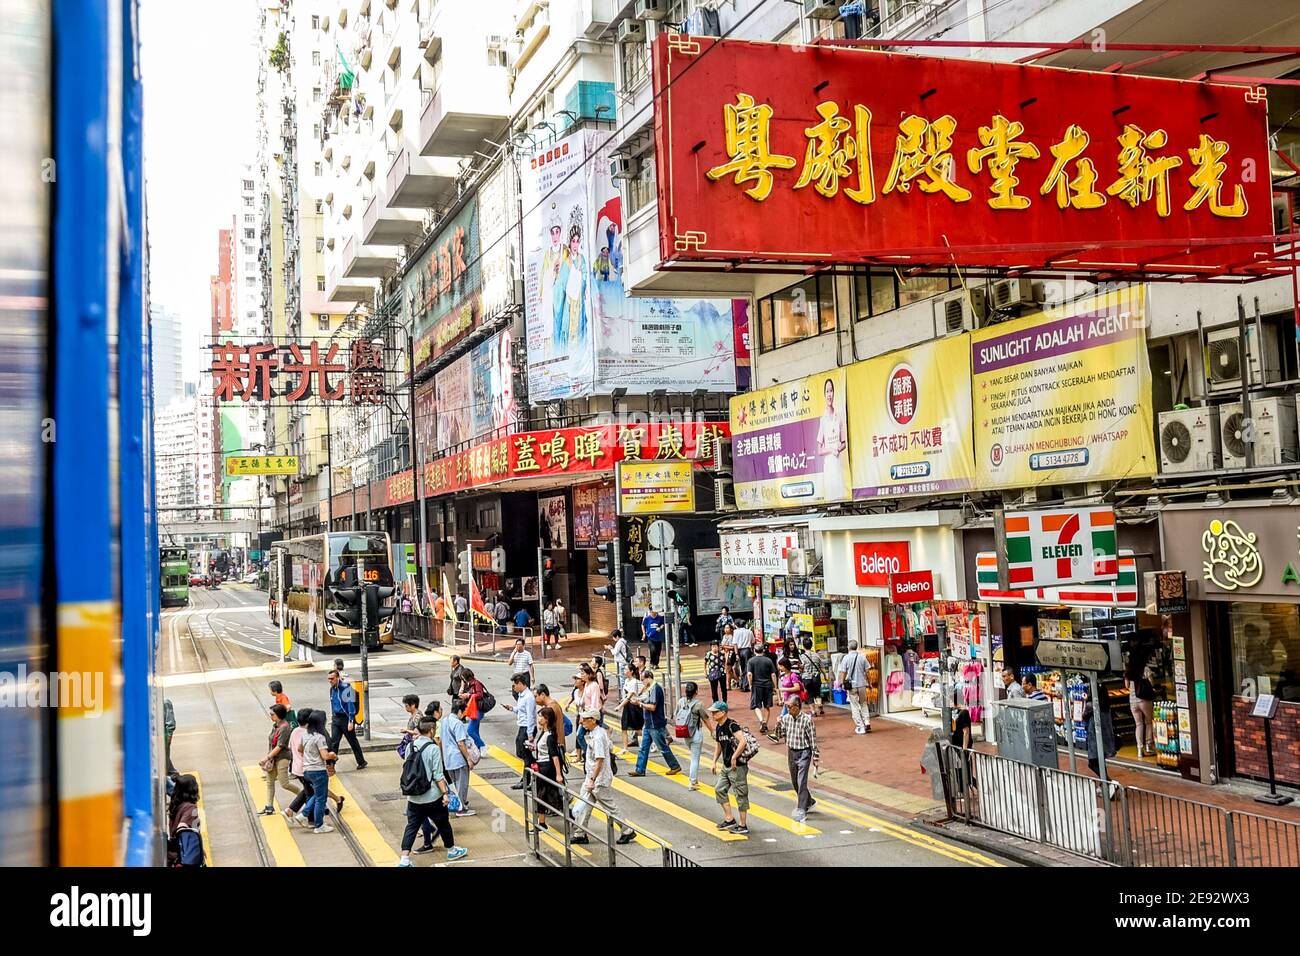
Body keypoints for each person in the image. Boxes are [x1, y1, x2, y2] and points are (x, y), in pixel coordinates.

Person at [397, 717, 468, 865]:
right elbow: (438, 775)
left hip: (414, 796)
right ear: (431, 730)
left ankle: (404, 859)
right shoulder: (433, 748)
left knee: (411, 826)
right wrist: (445, 794)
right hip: (432, 796)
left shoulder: (410, 746)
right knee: (443, 824)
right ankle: (451, 850)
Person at [570, 710, 637, 846]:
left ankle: (627, 830)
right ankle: (580, 833)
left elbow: (600, 760)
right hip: (592, 777)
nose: (581, 722)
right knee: (584, 806)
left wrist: (593, 780)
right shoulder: (597, 733)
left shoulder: (599, 736)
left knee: (609, 807)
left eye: (585, 719)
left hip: (598, 780)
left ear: (593, 720)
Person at [707, 702, 750, 835]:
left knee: (740, 795)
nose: (712, 715)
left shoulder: (732, 725)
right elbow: (719, 745)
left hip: (737, 767)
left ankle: (743, 825)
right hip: (726, 766)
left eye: (715, 712)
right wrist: (714, 761)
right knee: (719, 789)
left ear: (723, 712)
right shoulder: (719, 727)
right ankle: (729, 819)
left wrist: (734, 757)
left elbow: (743, 741)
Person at [630, 669, 683, 777]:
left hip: (655, 724)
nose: (642, 682)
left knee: (662, 747)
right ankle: (640, 769)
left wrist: (639, 703)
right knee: (643, 748)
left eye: (643, 679)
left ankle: (674, 765)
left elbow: (652, 707)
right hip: (648, 723)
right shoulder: (649, 688)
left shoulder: (655, 689)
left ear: (649, 677)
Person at [775, 694, 819, 822]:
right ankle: (809, 801)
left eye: (789, 707)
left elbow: (813, 740)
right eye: (787, 706)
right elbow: (779, 735)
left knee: (801, 781)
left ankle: (801, 809)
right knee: (795, 782)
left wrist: (815, 757)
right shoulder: (786, 719)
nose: (788, 709)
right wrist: (778, 724)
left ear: (797, 707)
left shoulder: (807, 720)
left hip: (804, 752)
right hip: (791, 751)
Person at [298, 710, 337, 833]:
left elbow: (300, 749)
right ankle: (319, 825)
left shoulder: (305, 735)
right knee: (321, 798)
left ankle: (303, 814)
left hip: (307, 770)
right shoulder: (320, 738)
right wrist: (333, 755)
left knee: (318, 794)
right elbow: (325, 755)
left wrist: (310, 755)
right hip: (318, 771)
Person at [529, 705, 566, 830]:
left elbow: (554, 756)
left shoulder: (549, 736)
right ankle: (542, 822)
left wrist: (558, 774)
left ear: (547, 719)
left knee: (545, 794)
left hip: (546, 768)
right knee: (547, 794)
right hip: (542, 766)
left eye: (541, 716)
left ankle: (570, 816)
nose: (538, 718)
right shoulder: (544, 733)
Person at [260, 703, 301, 814]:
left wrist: (266, 758)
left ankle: (303, 795)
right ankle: (269, 806)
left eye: (272, 714)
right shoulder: (276, 726)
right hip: (273, 757)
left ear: (278, 715)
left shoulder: (284, 728)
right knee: (270, 782)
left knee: (284, 783)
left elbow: (280, 746)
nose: (270, 716)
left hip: (282, 758)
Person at [815, 375, 848, 499]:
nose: (829, 394)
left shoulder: (839, 417)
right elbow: (819, 450)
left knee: (841, 497)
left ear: (834, 393)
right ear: (824, 395)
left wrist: (838, 449)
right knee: (831, 499)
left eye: (831, 391)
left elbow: (844, 443)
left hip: (838, 464)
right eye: (827, 391)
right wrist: (831, 450)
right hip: (828, 465)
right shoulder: (822, 420)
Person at [327, 669, 367, 769]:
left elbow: (351, 706)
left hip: (345, 718)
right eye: (329, 679)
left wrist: (351, 720)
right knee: (334, 742)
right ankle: (331, 765)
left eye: (332, 679)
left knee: (352, 741)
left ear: (337, 678)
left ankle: (361, 761)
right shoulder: (332, 689)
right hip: (336, 719)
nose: (330, 681)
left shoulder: (346, 689)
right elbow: (333, 703)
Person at [442, 699, 475, 817]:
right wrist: (469, 759)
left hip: (448, 759)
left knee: (454, 785)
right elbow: (461, 743)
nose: (465, 714)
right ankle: (460, 809)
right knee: (462, 784)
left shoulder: (444, 721)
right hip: (458, 759)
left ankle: (456, 805)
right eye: (464, 711)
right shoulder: (458, 723)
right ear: (460, 711)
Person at [505, 673, 538, 790]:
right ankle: (532, 771)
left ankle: (528, 778)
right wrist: (512, 709)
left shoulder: (528, 697)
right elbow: (521, 710)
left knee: (525, 754)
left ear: (520, 683)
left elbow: (530, 716)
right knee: (521, 753)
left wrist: (530, 734)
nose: (513, 688)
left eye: (514, 685)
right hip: (522, 726)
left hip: (527, 728)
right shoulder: (521, 696)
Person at [166, 774, 205, 867]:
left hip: (177, 855)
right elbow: (182, 828)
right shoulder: (191, 808)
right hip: (185, 857)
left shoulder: (176, 803)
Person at [1125, 644, 1156, 758]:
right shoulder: (1146, 669)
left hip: (1133, 701)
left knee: (1138, 724)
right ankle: (1148, 745)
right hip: (1144, 700)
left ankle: (1139, 749)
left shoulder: (1129, 671)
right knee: (1148, 722)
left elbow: (1127, 685)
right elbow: (1152, 683)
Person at [677, 681, 708, 791]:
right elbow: (706, 719)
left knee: (693, 756)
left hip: (685, 733)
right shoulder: (698, 704)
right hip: (696, 733)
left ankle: (694, 779)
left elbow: (677, 714)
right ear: (696, 692)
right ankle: (692, 782)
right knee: (695, 759)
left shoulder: (680, 702)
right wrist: (712, 731)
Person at [837, 641, 872, 734]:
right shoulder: (862, 657)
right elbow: (867, 671)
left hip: (851, 685)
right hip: (862, 684)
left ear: (848, 647)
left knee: (855, 705)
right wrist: (870, 682)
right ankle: (867, 721)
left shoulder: (846, 658)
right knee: (864, 703)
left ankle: (860, 726)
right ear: (856, 647)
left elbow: (843, 672)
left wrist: (841, 682)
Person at [746, 643, 778, 734]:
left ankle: (761, 720)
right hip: (768, 685)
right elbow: (773, 674)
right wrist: (775, 686)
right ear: (763, 650)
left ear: (754, 651)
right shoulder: (768, 660)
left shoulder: (751, 661)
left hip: (757, 685)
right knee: (767, 706)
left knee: (756, 705)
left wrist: (750, 684)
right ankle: (765, 724)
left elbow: (749, 674)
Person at [458, 668, 488, 751]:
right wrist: (462, 686)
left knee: (470, 731)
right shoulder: (469, 684)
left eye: (462, 678)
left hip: (478, 710)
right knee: (475, 730)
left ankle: (482, 745)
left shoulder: (476, 683)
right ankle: (479, 748)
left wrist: (468, 695)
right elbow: (461, 694)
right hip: (473, 710)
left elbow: (480, 695)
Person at [534, 683, 568, 753]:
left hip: (554, 745)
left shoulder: (550, 708)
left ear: (543, 695)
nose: (535, 700)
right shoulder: (554, 704)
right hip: (558, 743)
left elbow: (545, 727)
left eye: (536, 696)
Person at [776, 659, 806, 737]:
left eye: (781, 666)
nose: (780, 667)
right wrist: (782, 699)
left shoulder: (793, 676)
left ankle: (780, 733)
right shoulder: (784, 676)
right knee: (787, 717)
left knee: (783, 717)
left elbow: (797, 687)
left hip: (794, 701)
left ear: (785, 666)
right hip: (787, 701)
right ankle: (783, 732)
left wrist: (784, 689)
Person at [618, 662, 644, 749]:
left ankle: (649, 743)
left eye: (626, 669)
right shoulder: (626, 681)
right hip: (627, 707)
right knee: (624, 727)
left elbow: (629, 697)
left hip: (634, 707)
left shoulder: (634, 682)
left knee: (638, 728)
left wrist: (619, 706)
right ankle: (625, 748)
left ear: (631, 671)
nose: (624, 671)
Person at [798, 638, 827, 716]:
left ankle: (813, 712)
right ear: (812, 645)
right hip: (816, 677)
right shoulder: (817, 655)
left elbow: (801, 669)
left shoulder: (801, 657)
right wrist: (825, 676)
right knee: (817, 692)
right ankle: (820, 705)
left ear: (803, 646)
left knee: (810, 694)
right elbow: (822, 668)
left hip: (806, 678)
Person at [705, 638, 728, 703]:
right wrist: (705, 672)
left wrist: (725, 669)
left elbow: (725, 662)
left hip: (722, 673)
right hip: (712, 674)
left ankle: (724, 702)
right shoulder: (708, 654)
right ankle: (715, 703)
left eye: (715, 646)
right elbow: (705, 663)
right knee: (714, 690)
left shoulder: (722, 654)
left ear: (718, 647)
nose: (714, 648)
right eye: (712, 647)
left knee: (724, 689)